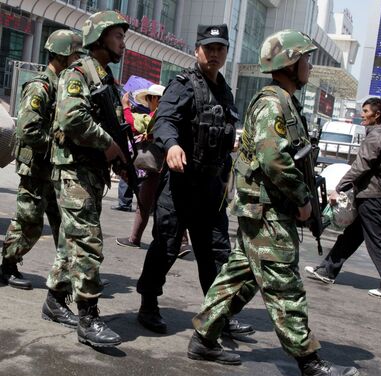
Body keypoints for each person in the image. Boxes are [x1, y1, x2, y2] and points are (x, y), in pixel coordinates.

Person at [186, 29, 359, 376]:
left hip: (264, 209)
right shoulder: (272, 104)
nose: (310, 66)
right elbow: (275, 160)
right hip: (267, 211)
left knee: (239, 278)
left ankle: (203, 339)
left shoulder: (285, 102)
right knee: (284, 284)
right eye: (306, 60)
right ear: (290, 63)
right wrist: (301, 200)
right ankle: (309, 362)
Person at [135, 24, 253, 337]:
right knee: (167, 245)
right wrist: (172, 145)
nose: (214, 53)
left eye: (219, 48)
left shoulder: (225, 91)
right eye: (208, 47)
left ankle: (218, 314)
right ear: (196, 50)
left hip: (211, 190)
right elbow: (165, 120)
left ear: (226, 52)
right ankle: (148, 304)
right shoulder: (184, 84)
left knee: (216, 254)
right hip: (180, 185)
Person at [44, 11, 129, 347]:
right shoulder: (79, 73)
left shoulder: (105, 79)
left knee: (72, 244)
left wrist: (121, 160)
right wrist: (108, 145)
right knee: (88, 243)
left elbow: (111, 128)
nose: (123, 42)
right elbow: (72, 117)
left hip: (91, 174)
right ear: (100, 37)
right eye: (118, 36)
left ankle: (53, 300)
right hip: (73, 172)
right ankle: (88, 317)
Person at [0, 30, 85, 291]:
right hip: (37, 166)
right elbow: (28, 129)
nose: (77, 61)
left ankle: (70, 272)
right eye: (74, 55)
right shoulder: (40, 86)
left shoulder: (63, 85)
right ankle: (7, 266)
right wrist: (58, 144)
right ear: (61, 55)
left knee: (70, 220)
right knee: (30, 221)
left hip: (58, 168)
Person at [304, 98, 381, 301]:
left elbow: (361, 167)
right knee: (351, 237)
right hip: (370, 195)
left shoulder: (376, 136)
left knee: (377, 241)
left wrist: (339, 188)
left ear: (376, 115)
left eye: (365, 111)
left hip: (372, 196)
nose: (362, 114)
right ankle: (327, 270)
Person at [115, 84, 165, 248]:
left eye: (150, 99)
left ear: (156, 99)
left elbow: (132, 123)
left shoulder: (156, 116)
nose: (149, 102)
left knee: (145, 203)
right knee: (163, 205)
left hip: (157, 166)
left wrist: (126, 107)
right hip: (164, 167)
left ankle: (134, 238)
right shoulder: (168, 118)